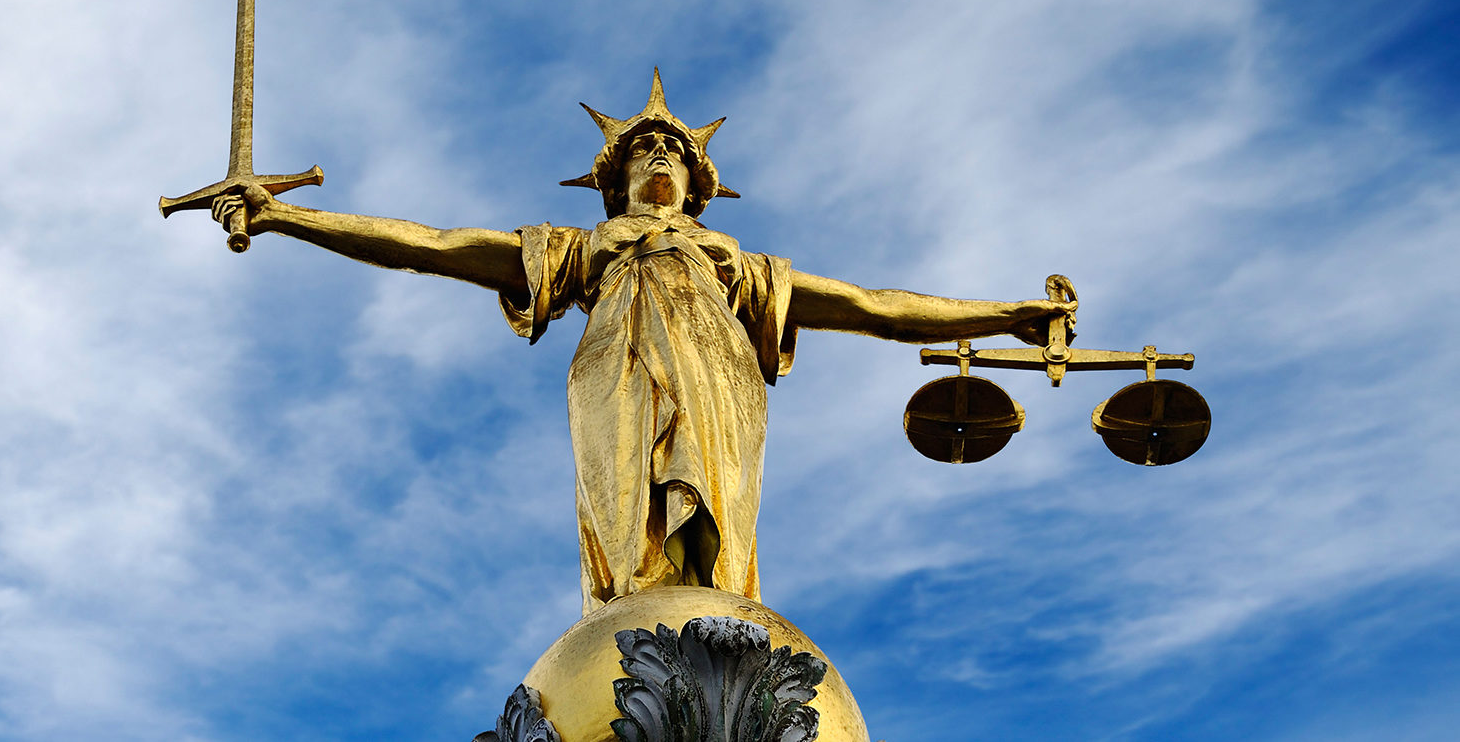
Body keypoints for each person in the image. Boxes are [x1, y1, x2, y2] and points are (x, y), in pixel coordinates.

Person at [212, 72, 1073, 615]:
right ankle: (632, 618)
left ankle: (714, 618)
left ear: (700, 186)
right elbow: (437, 245)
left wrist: (1007, 315)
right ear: (615, 178)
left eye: (673, 149)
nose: (659, 153)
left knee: (720, 556)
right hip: (616, 374)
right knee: (633, 546)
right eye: (644, 149)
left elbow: (870, 305)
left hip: (718, 376)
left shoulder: (736, 264)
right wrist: (289, 216)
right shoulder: (586, 252)